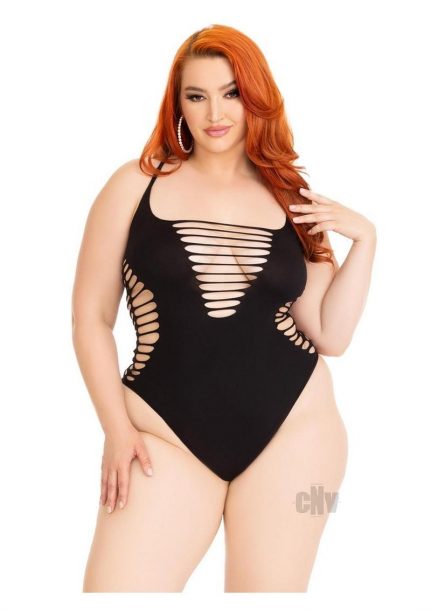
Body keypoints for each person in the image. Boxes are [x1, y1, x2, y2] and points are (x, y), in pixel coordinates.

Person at [72, 24, 377, 592]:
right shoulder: (134, 185)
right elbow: (91, 318)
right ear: (178, 104)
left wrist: (366, 240)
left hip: (295, 434)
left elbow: (329, 334)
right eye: (197, 95)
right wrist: (115, 429)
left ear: (255, 96)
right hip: (162, 437)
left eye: (231, 92)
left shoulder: (292, 197)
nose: (215, 112)